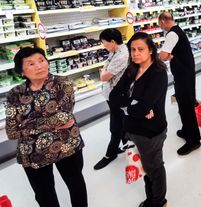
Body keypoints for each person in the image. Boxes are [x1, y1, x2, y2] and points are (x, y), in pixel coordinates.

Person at [6, 47, 87, 207]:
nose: (39, 66)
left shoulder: (63, 83)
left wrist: (27, 124)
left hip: (66, 145)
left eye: (41, 60)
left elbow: (64, 116)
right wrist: (52, 124)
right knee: (44, 195)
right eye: (31, 64)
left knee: (76, 184)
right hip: (33, 152)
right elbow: (12, 132)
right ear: (21, 72)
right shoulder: (15, 94)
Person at [113, 32, 168, 207]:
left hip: (151, 131)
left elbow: (142, 108)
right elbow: (114, 96)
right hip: (132, 129)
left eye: (140, 49)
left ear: (151, 50)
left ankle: (159, 201)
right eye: (132, 49)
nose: (135, 53)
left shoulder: (158, 74)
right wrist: (133, 105)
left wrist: (136, 107)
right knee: (145, 166)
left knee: (154, 167)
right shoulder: (132, 69)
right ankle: (150, 197)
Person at [158, 12, 201, 155]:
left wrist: (165, 56)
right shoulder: (177, 30)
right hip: (184, 73)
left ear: (163, 21)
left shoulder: (171, 34)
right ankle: (186, 130)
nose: (160, 27)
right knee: (183, 104)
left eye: (159, 24)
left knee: (187, 106)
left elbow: (163, 56)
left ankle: (194, 140)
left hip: (184, 75)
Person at [94, 28, 130, 170]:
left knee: (115, 125)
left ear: (113, 42)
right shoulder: (115, 51)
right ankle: (125, 143)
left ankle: (111, 153)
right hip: (112, 94)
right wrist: (105, 69)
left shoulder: (121, 55)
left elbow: (103, 76)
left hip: (117, 95)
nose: (103, 45)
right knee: (120, 121)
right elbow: (105, 68)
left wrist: (103, 70)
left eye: (104, 43)